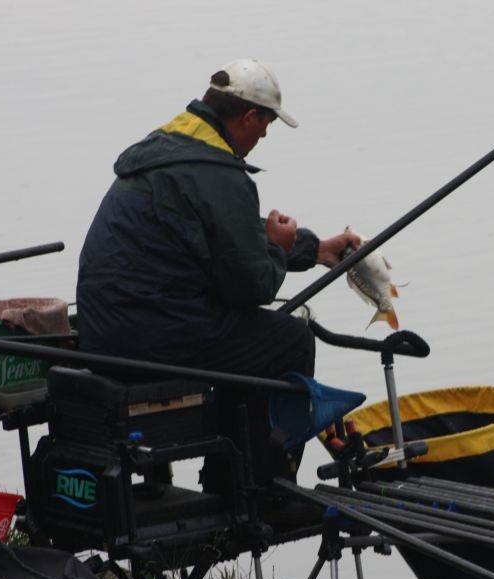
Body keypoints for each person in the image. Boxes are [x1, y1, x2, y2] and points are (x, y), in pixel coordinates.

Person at [76, 58, 361, 483]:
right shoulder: (220, 175)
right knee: (289, 340)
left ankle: (230, 469)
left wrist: (314, 249)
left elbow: (225, 241)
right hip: (153, 339)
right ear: (248, 116)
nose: (263, 137)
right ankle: (255, 487)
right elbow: (254, 285)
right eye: (264, 127)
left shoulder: (168, 150)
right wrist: (277, 251)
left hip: (104, 334)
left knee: (244, 334)